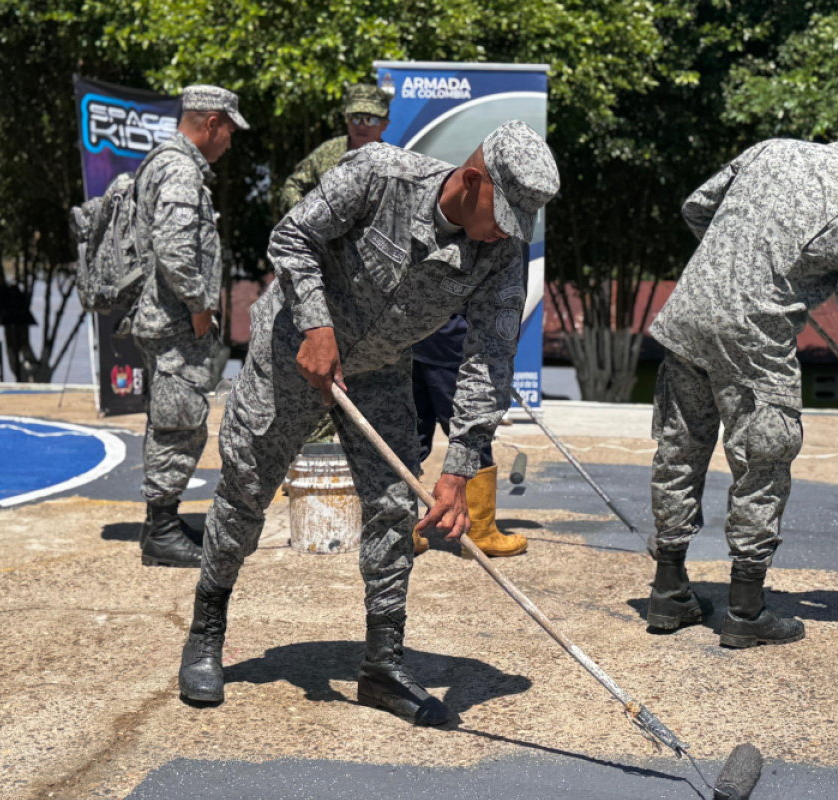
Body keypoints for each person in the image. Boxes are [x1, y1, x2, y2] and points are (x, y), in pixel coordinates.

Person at [179, 121, 558, 726]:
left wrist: (459, 470)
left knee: (391, 505)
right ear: (471, 180)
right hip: (292, 349)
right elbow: (292, 236)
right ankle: (206, 629)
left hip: (380, 369)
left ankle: (383, 665)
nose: (507, 232)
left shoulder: (501, 253)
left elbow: (489, 358)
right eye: (503, 213)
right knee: (247, 488)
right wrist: (316, 324)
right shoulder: (381, 175)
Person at [644, 102, 838, 648]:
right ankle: (747, 610)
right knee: (765, 458)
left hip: (689, 316)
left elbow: (696, 207)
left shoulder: (772, 150)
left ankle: (667, 591)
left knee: (679, 448)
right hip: (754, 338)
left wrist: (736, 261)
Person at [131, 85, 248, 568]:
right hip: (176, 322)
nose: (229, 143)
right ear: (212, 122)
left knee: (170, 419)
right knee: (179, 424)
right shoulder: (179, 169)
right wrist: (201, 304)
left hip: (164, 318)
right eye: (228, 132)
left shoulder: (163, 162)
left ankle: (162, 521)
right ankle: (160, 531)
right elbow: (175, 246)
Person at [413, 314, 526, 557]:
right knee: (472, 431)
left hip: (408, 336)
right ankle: (480, 531)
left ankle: (400, 530)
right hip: (452, 343)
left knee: (410, 431)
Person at [279, 83, 393, 210]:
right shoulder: (327, 152)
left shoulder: (393, 163)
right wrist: (305, 214)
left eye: (370, 120)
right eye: (356, 118)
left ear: (385, 124)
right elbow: (293, 185)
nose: (361, 126)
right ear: (347, 118)